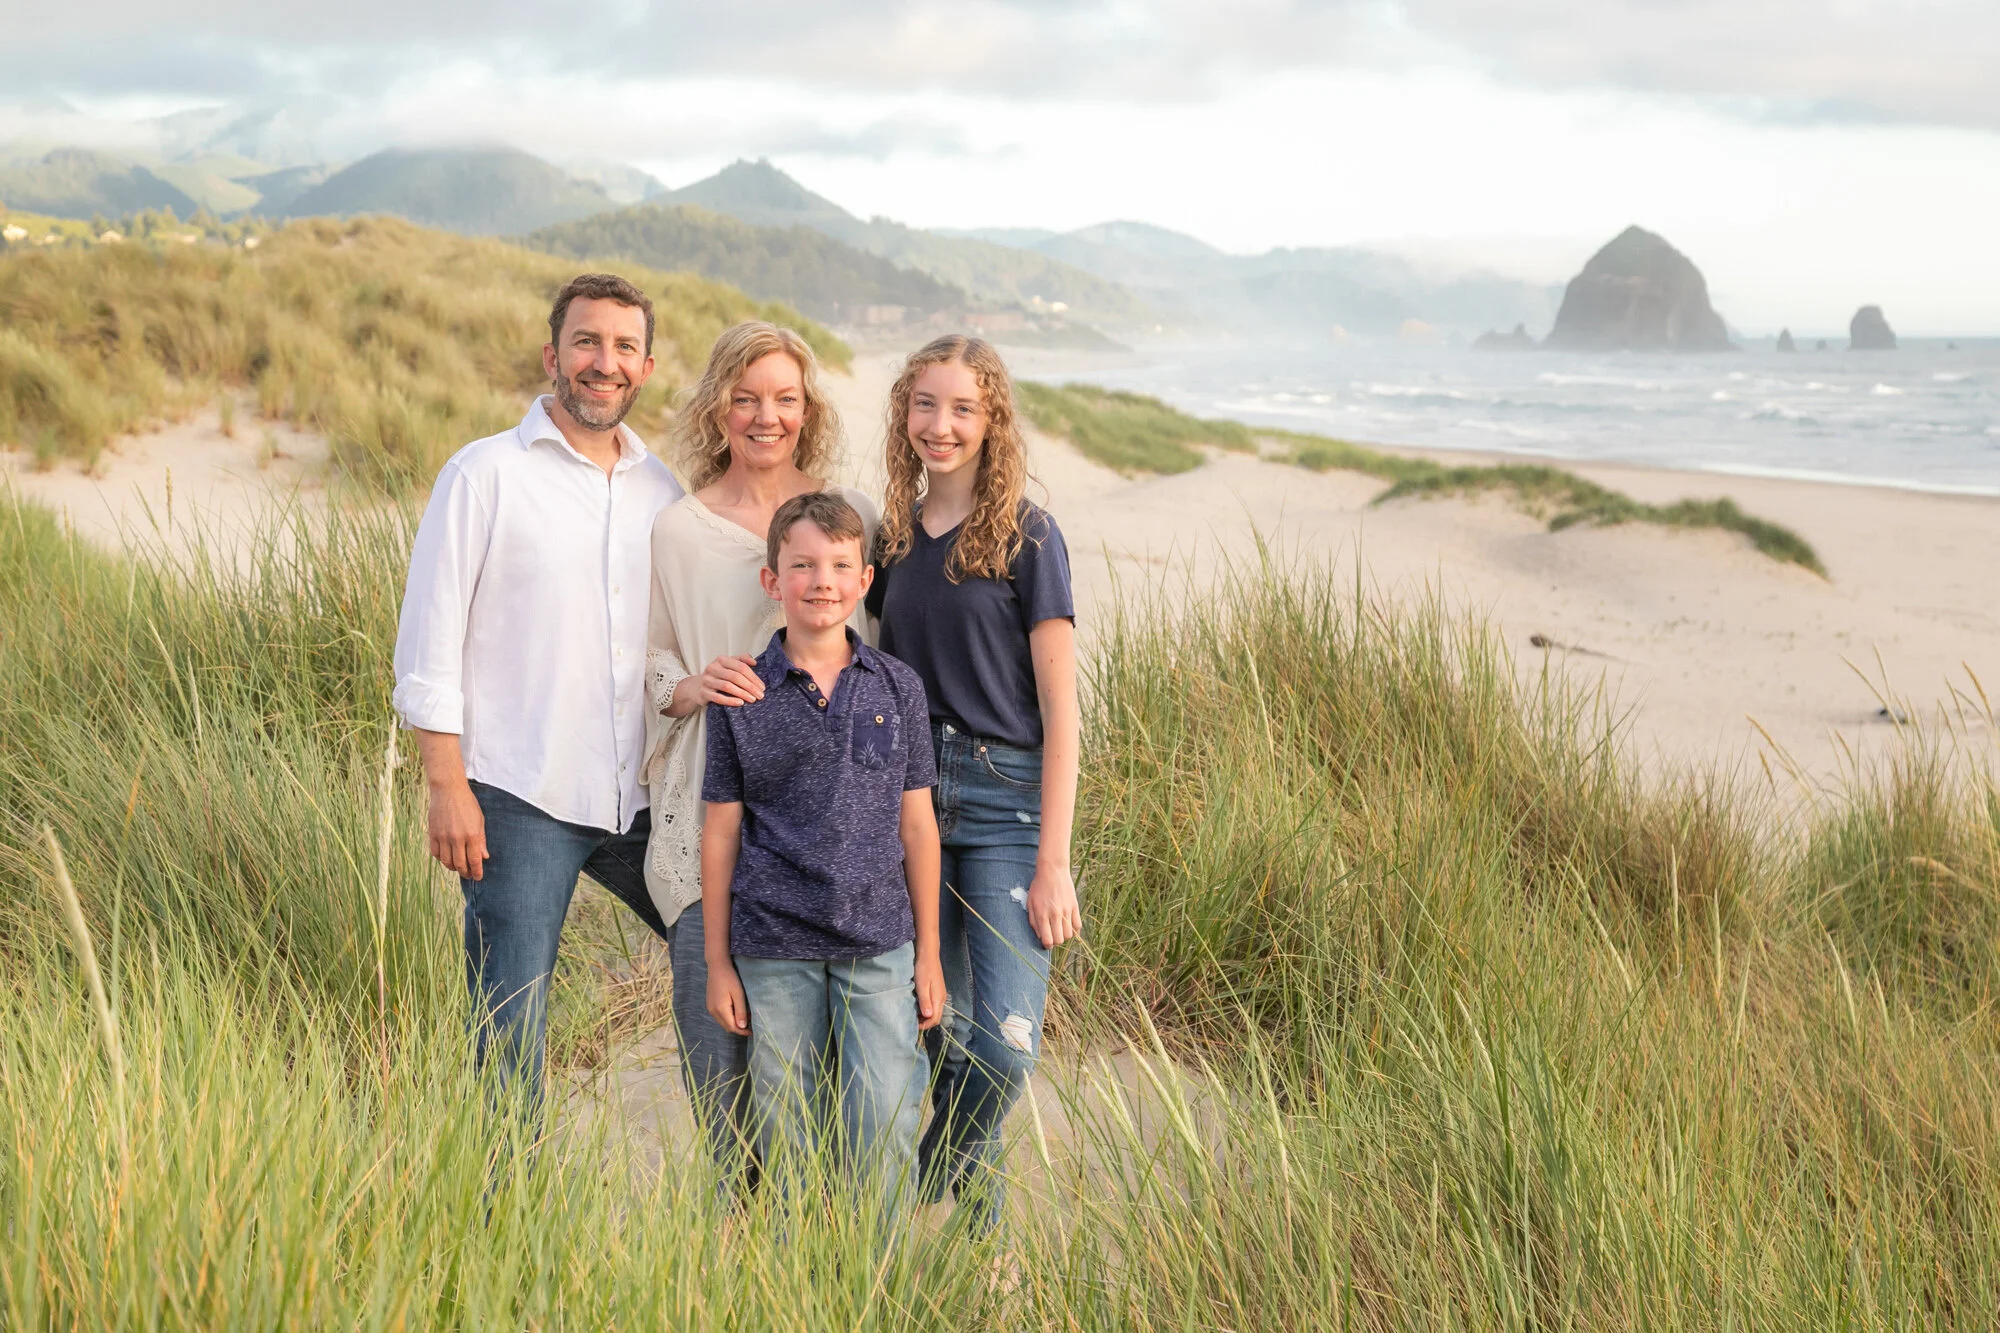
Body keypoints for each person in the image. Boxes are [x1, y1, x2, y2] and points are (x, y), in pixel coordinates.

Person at [392, 273, 682, 1111]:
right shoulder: (483, 473)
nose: (605, 362)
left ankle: (756, 1190)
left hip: (641, 800)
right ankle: (501, 1218)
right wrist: (447, 785)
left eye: (624, 347)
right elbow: (429, 640)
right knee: (509, 1035)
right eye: (587, 342)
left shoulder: (660, 488)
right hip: (519, 797)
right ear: (553, 354)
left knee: (729, 956)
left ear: (648, 366)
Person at [642, 321, 876, 1178]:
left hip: (825, 832)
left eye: (783, 397)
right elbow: (647, 658)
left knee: (823, 1071)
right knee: (722, 1069)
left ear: (806, 408)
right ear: (718, 407)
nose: (764, 416)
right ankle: (737, 1257)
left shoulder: (853, 517)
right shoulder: (678, 528)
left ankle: (822, 1253)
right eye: (745, 398)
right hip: (710, 816)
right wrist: (692, 685)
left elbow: (879, 664)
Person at [864, 335, 1082, 1234]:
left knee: (1002, 1042)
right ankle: (981, 1250)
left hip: (1005, 797)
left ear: (992, 420)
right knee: (939, 1026)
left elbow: (1064, 713)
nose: (940, 425)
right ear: (903, 414)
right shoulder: (891, 536)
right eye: (925, 405)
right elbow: (870, 675)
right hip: (910, 797)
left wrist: (1054, 860)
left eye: (962, 408)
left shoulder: (1029, 536)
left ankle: (924, 1179)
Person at [700, 491, 945, 1206]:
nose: (822, 581)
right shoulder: (742, 696)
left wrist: (927, 954)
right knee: (786, 1128)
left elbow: (918, 826)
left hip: (880, 941)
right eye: (802, 565)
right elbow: (720, 832)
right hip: (773, 943)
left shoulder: (897, 687)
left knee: (885, 1118)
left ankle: (881, 1286)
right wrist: (718, 961)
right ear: (772, 580)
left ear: (865, 579)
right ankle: (796, 1285)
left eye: (840, 564)